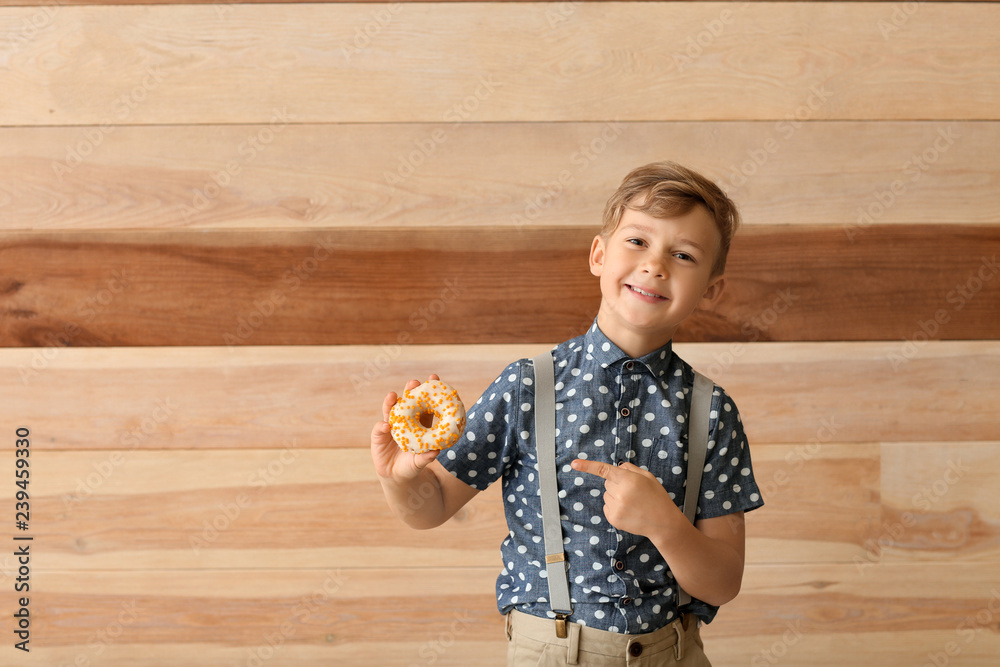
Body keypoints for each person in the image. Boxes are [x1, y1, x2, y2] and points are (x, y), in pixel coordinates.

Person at [371, 161, 764, 666]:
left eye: (683, 254)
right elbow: (430, 509)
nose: (656, 265)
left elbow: (724, 581)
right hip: (552, 652)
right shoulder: (527, 386)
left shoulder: (711, 413)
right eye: (638, 242)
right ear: (599, 255)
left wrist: (666, 526)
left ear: (710, 289)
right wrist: (400, 479)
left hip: (672, 653)